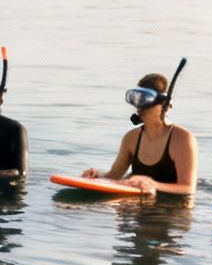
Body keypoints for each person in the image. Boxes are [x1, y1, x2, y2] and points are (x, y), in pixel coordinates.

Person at [82, 68, 197, 196]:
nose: (140, 106)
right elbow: (114, 176)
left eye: (146, 100)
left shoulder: (182, 139)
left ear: (163, 104)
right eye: (136, 99)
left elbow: (188, 188)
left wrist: (152, 184)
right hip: (140, 206)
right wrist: (97, 175)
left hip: (172, 210)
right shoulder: (131, 138)